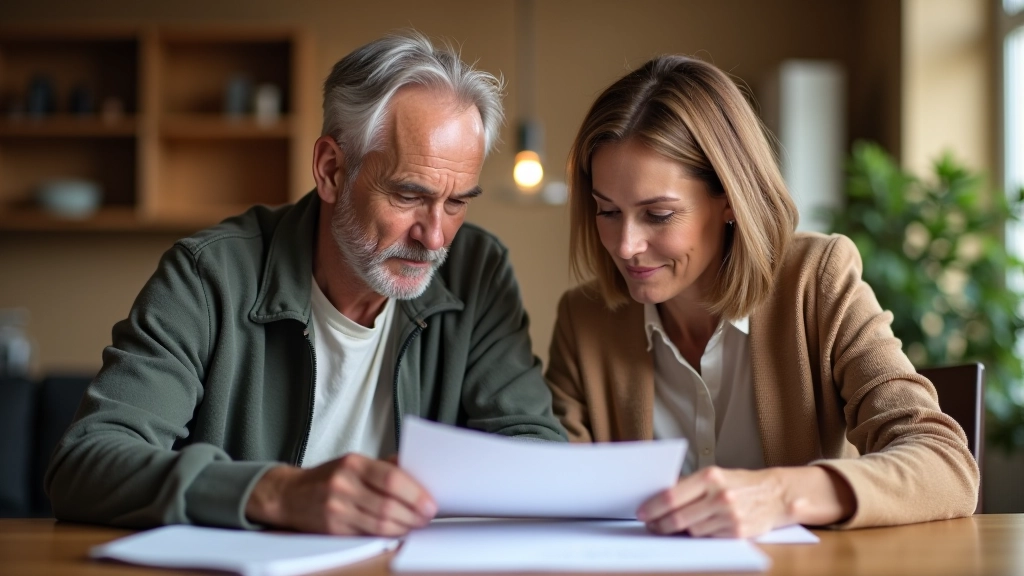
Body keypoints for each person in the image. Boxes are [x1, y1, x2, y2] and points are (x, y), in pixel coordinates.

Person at [46, 32, 566, 536]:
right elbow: (87, 461)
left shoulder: (478, 271)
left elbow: (534, 450)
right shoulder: (209, 275)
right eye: (409, 195)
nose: (434, 237)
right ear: (332, 170)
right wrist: (276, 493)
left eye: (456, 203)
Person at [545, 54, 979, 538]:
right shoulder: (585, 319)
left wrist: (777, 495)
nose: (625, 246)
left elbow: (946, 465)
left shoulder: (817, 280)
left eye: (659, 215)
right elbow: (560, 487)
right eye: (607, 211)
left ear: (729, 199)